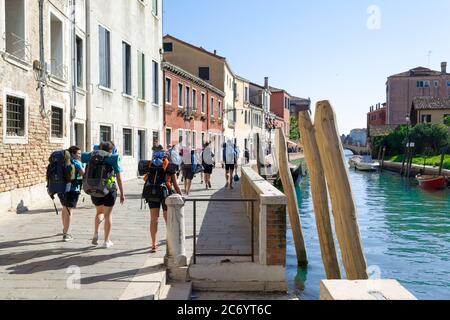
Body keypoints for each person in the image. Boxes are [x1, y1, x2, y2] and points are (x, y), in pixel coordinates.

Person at [83, 141, 125, 248]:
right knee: (108, 215)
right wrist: (122, 193)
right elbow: (119, 178)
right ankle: (106, 241)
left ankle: (96, 233)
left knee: (99, 212)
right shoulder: (112, 158)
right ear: (111, 150)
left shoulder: (92, 156)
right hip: (109, 190)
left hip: (94, 189)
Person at [145, 145, 182, 253]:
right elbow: (175, 185)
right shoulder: (170, 166)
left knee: (154, 219)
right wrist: (180, 195)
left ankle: (153, 244)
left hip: (152, 193)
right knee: (168, 219)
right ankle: (170, 241)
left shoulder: (150, 165)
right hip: (165, 194)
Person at [58, 146, 85, 242]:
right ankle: (66, 234)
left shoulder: (62, 162)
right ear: (73, 154)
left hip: (60, 189)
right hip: (73, 190)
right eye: (78, 154)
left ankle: (65, 229)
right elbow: (84, 174)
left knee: (64, 208)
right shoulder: (76, 162)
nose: (80, 155)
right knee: (69, 211)